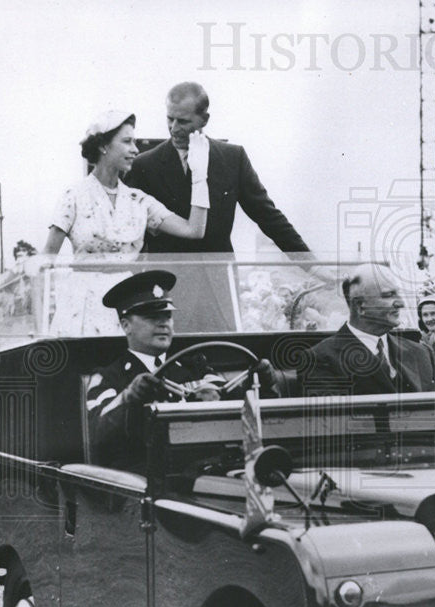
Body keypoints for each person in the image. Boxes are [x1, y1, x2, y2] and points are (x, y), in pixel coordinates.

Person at [124, 81, 311, 256]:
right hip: (167, 282)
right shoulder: (144, 165)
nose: (173, 128)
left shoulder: (233, 158)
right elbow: (132, 231)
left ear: (204, 119)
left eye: (182, 121)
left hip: (219, 280)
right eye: (169, 119)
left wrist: (313, 266)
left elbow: (268, 217)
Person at [86, 270, 223, 469]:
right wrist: (129, 397)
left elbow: (234, 403)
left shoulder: (196, 366)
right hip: (143, 482)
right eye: (152, 317)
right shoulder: (108, 377)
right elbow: (97, 433)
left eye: (167, 316)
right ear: (126, 326)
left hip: (208, 472)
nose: (163, 323)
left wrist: (263, 382)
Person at [44, 111, 210, 257]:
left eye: (134, 142)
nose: (135, 150)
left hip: (127, 291)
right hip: (83, 291)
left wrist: (199, 174)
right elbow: (46, 260)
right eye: (127, 141)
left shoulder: (138, 200)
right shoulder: (74, 196)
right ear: (103, 145)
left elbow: (194, 230)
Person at [302, 265, 435, 396]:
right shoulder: (320, 360)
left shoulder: (420, 353)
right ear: (360, 306)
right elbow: (333, 422)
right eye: (389, 295)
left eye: (398, 294)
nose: (401, 303)